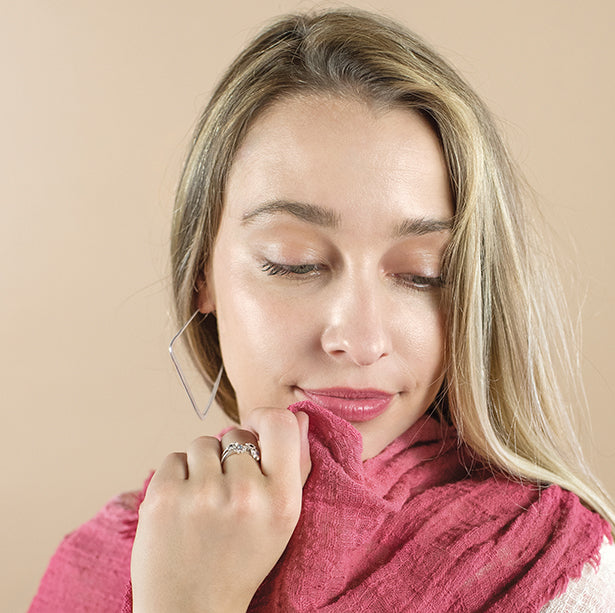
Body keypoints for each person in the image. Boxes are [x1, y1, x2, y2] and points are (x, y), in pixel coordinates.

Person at [30, 8, 615, 612]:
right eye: (294, 262)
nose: (360, 341)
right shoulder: (98, 565)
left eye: (421, 275)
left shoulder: (558, 574)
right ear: (201, 273)